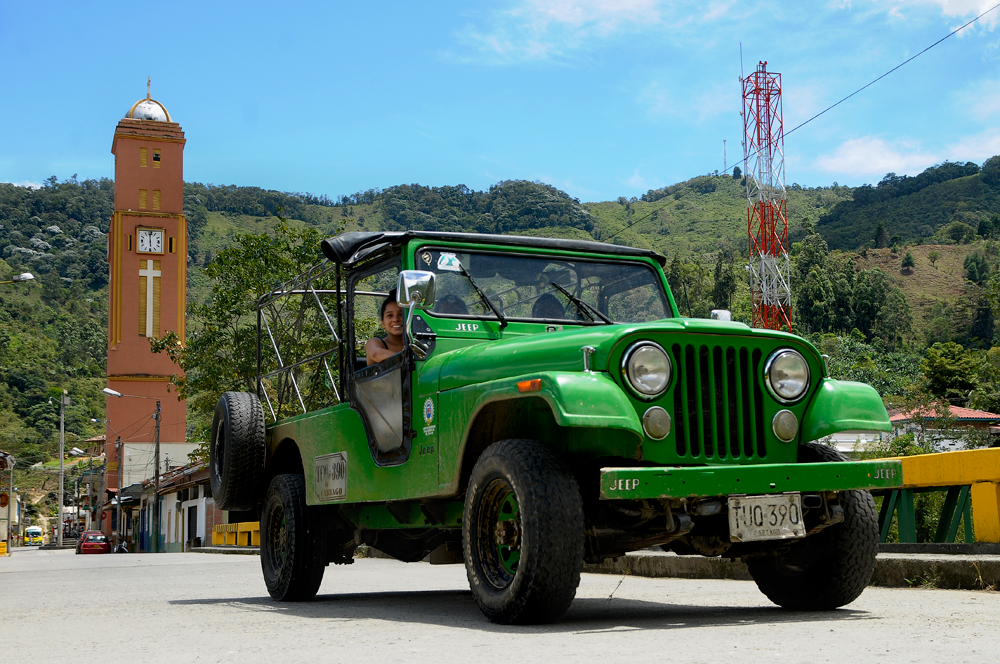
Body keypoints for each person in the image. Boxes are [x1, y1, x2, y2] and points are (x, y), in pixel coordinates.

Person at [366, 289, 405, 366]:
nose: (395, 319)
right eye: (390, 315)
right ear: (383, 323)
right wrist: (410, 360)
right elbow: (376, 354)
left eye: (401, 314)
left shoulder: (418, 344)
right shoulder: (375, 342)